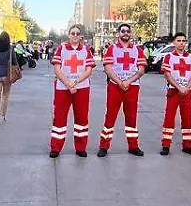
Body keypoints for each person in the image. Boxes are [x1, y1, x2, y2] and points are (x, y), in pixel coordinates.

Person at [99, 23, 146, 157]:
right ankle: (104, 146)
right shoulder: (112, 49)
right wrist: (120, 82)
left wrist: (128, 81)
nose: (125, 33)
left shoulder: (137, 50)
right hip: (115, 86)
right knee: (110, 116)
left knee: (131, 117)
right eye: (123, 31)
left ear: (131, 33)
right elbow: (108, 68)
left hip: (132, 87)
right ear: (118, 33)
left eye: (128, 31)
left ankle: (133, 146)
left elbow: (141, 70)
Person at [49, 25, 95, 158]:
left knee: (81, 117)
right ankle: (56, 147)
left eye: (77, 33)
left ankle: (81, 147)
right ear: (68, 35)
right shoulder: (61, 48)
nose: (75, 35)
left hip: (82, 88)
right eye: (73, 33)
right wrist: (68, 83)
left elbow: (89, 70)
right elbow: (57, 69)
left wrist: (75, 82)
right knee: (59, 118)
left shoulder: (86, 50)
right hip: (63, 88)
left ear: (81, 36)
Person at [160, 32, 191, 155]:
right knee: (169, 118)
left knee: (187, 118)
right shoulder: (169, 57)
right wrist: (179, 87)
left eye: (183, 41)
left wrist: (187, 87)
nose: (181, 43)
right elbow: (167, 74)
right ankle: (166, 145)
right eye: (179, 41)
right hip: (173, 91)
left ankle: (187, 145)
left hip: (186, 92)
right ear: (174, 42)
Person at [0, 31, 21, 127]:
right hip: (7, 75)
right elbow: (14, 62)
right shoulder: (10, 49)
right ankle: (3, 115)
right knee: (5, 95)